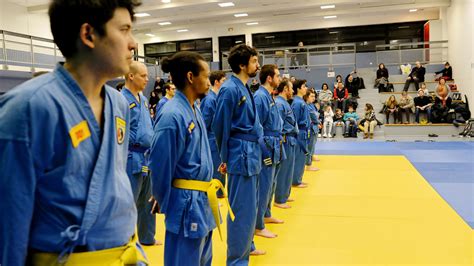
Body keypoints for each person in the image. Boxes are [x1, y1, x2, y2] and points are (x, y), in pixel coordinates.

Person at [0, 0, 147, 265]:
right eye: (124, 30)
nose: (133, 43)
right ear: (88, 34)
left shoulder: (119, 104)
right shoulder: (28, 108)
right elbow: (9, 222)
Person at [150, 51, 225, 266]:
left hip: (202, 201)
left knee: (203, 259)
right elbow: (160, 163)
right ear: (191, 77)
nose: (209, 82)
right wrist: (162, 199)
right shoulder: (172, 114)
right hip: (185, 205)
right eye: (206, 75)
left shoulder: (194, 109)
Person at [212, 44, 265, 264]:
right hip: (240, 155)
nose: (258, 65)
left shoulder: (244, 87)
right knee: (240, 212)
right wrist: (224, 158)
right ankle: (236, 261)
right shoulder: (230, 89)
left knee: (250, 210)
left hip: (250, 154)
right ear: (242, 65)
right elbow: (219, 127)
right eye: (254, 61)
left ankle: (246, 248)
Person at [121, 61, 158, 246]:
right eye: (143, 76)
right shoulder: (121, 100)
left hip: (147, 156)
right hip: (130, 157)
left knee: (147, 200)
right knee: (129, 202)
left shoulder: (143, 100)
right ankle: (125, 240)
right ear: (131, 76)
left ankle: (147, 237)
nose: (147, 79)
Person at [253, 64, 284, 240]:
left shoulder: (269, 96)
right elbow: (258, 128)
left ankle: (266, 213)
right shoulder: (259, 97)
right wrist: (264, 151)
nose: (279, 79)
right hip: (266, 145)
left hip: (275, 143)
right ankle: (258, 225)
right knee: (263, 187)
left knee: (271, 184)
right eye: (277, 76)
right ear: (269, 78)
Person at [200, 70, 227, 197]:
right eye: (223, 81)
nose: (225, 83)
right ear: (216, 82)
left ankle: (220, 192)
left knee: (221, 167)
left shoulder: (218, 98)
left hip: (219, 138)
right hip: (211, 138)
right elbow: (204, 123)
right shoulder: (209, 99)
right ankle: (213, 194)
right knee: (215, 167)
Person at [274, 80, 297, 209]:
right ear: (285, 89)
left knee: (289, 169)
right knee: (283, 170)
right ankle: (279, 198)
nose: (293, 91)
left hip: (291, 139)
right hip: (285, 139)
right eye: (291, 88)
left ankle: (285, 195)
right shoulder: (279, 104)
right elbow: (279, 125)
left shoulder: (285, 103)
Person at [291, 79, 310, 188]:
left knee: (302, 157)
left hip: (304, 131)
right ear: (298, 89)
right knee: (298, 157)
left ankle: (298, 178)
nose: (305, 88)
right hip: (300, 132)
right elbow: (295, 121)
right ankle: (296, 180)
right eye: (303, 86)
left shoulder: (301, 101)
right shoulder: (297, 103)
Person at [305, 88, 319, 171]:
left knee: (312, 145)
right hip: (311, 127)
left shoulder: (312, 105)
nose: (313, 98)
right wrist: (317, 121)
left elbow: (316, 115)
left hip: (315, 127)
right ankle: (308, 165)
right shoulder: (306, 105)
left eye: (314, 96)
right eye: (311, 96)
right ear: (306, 97)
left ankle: (310, 160)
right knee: (309, 147)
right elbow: (314, 117)